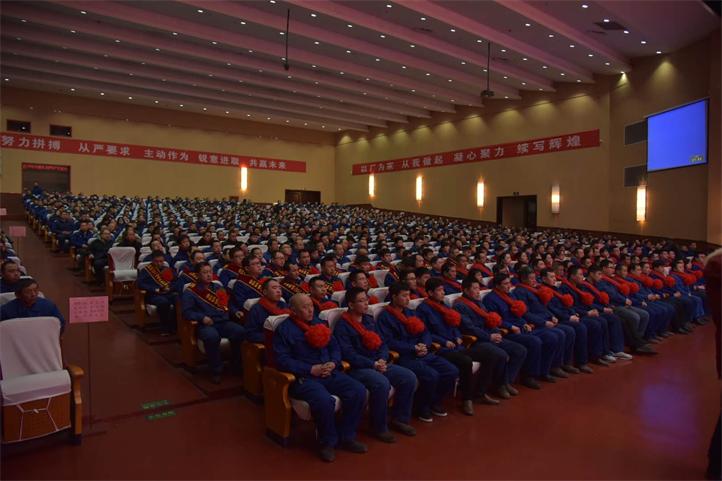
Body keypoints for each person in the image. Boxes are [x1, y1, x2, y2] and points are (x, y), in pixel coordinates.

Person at [272, 293, 367, 462]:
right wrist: (310, 369)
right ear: (293, 310)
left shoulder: (319, 323)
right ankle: (327, 442)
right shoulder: (284, 330)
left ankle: (347, 436)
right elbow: (282, 360)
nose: (310, 310)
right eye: (305, 307)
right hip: (305, 377)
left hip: (329, 372)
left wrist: (333, 363)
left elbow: (334, 347)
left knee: (358, 391)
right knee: (324, 401)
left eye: (311, 306)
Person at [334, 287, 418, 441]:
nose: (366, 303)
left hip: (378, 362)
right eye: (361, 301)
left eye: (366, 300)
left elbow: (382, 344)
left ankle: (400, 419)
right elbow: (348, 354)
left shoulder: (369, 320)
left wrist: (382, 359)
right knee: (381, 383)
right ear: (351, 305)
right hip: (358, 367)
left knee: (408, 377)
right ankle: (379, 427)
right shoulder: (342, 325)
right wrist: (372, 364)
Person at [416, 277, 506, 414]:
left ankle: (480, 393)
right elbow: (426, 333)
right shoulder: (423, 309)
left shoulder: (445, 306)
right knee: (465, 361)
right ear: (430, 292)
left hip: (457, 346)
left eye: (443, 290)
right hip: (441, 349)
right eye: (439, 290)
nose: (443, 293)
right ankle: (467, 399)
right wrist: (444, 341)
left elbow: (454, 325)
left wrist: (458, 336)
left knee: (490, 355)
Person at [377, 282, 459, 422]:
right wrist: (413, 348)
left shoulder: (411, 312)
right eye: (404, 296)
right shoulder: (385, 317)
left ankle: (434, 401)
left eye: (408, 295)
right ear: (394, 297)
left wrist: (424, 345)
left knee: (451, 371)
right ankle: (421, 407)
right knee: (431, 375)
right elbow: (389, 342)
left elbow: (425, 332)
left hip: (422, 352)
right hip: (404, 356)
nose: (408, 299)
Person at [453, 277, 527, 398]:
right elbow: (469, 328)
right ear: (466, 290)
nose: (478, 291)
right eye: (475, 288)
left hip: (489, 335)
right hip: (477, 340)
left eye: (478, 288)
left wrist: (496, 332)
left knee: (519, 350)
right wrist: (489, 337)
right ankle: (498, 386)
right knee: (501, 354)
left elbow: (489, 320)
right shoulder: (460, 305)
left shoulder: (479, 302)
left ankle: (506, 382)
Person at [483, 273, 552, 388]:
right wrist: (511, 326)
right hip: (508, 331)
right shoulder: (490, 299)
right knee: (534, 342)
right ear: (497, 286)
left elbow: (520, 313)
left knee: (551, 335)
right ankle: (528, 376)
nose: (509, 286)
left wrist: (524, 323)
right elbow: (496, 320)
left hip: (521, 327)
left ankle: (546, 370)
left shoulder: (510, 295)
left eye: (509, 283)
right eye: (505, 284)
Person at [181, 262, 244, 384]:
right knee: (212, 336)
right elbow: (187, 312)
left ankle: (236, 365)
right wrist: (201, 317)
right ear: (197, 275)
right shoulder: (191, 291)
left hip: (223, 322)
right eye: (205, 272)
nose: (209, 275)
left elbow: (227, 304)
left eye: (210, 272)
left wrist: (235, 311)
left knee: (240, 332)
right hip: (206, 324)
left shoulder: (218, 287)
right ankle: (216, 370)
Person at [513, 267, 579, 377]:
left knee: (569, 331)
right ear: (523, 279)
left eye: (535, 278)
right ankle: (546, 369)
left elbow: (543, 307)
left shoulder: (535, 289)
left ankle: (561, 364)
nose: (534, 280)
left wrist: (551, 316)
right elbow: (526, 313)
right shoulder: (520, 292)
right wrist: (543, 322)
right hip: (535, 324)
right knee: (555, 335)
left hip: (545, 319)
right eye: (531, 278)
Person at [588, 264, 656, 355]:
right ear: (591, 274)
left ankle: (638, 341)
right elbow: (608, 295)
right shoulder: (596, 284)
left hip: (615, 304)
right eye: (599, 274)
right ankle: (633, 344)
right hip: (611, 306)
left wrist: (626, 299)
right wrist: (605, 307)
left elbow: (617, 292)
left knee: (644, 314)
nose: (600, 276)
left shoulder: (608, 280)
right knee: (632, 317)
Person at [0, 278, 66, 332]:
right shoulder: (6, 310)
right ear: (18, 295)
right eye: (28, 292)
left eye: (35, 290)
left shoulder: (49, 305)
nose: (33, 294)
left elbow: (61, 324)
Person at [137, 250, 178, 335]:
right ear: (152, 261)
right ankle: (164, 327)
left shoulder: (167, 269)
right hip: (154, 295)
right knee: (163, 302)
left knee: (179, 299)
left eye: (161, 261)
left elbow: (175, 282)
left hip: (168, 293)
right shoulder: (146, 270)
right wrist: (154, 289)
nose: (159, 263)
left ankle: (175, 326)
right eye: (157, 261)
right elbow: (140, 284)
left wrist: (170, 288)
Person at [245, 279, 290, 343]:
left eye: (280, 288)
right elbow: (251, 334)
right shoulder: (256, 309)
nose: (278, 291)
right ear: (265, 292)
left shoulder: (284, 305)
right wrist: (274, 337)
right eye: (274, 288)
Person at [229, 256, 265, 322]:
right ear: (247, 268)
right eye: (254, 264)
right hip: (253, 314)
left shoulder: (263, 279)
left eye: (259, 263)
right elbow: (242, 304)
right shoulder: (240, 283)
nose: (259, 266)